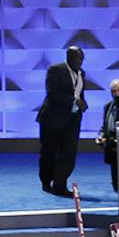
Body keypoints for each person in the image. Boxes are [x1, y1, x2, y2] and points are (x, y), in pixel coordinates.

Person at [38, 46, 90, 195]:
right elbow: (52, 93)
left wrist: (82, 104)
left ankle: (60, 184)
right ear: (69, 57)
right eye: (77, 58)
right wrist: (73, 101)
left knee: (69, 153)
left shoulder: (82, 74)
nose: (80, 61)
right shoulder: (56, 69)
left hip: (72, 119)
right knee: (50, 152)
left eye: (82, 58)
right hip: (53, 119)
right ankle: (47, 182)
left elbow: (79, 92)